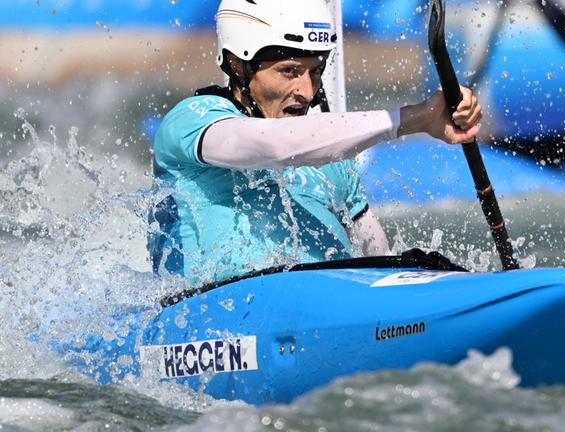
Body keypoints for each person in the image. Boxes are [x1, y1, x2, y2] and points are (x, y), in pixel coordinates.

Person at [147, 0, 483, 286]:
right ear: (237, 64)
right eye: (290, 71)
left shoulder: (333, 161)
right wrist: (416, 118)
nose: (307, 92)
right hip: (208, 324)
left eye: (316, 71)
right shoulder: (190, 121)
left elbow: (381, 262)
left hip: (322, 316)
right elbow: (277, 147)